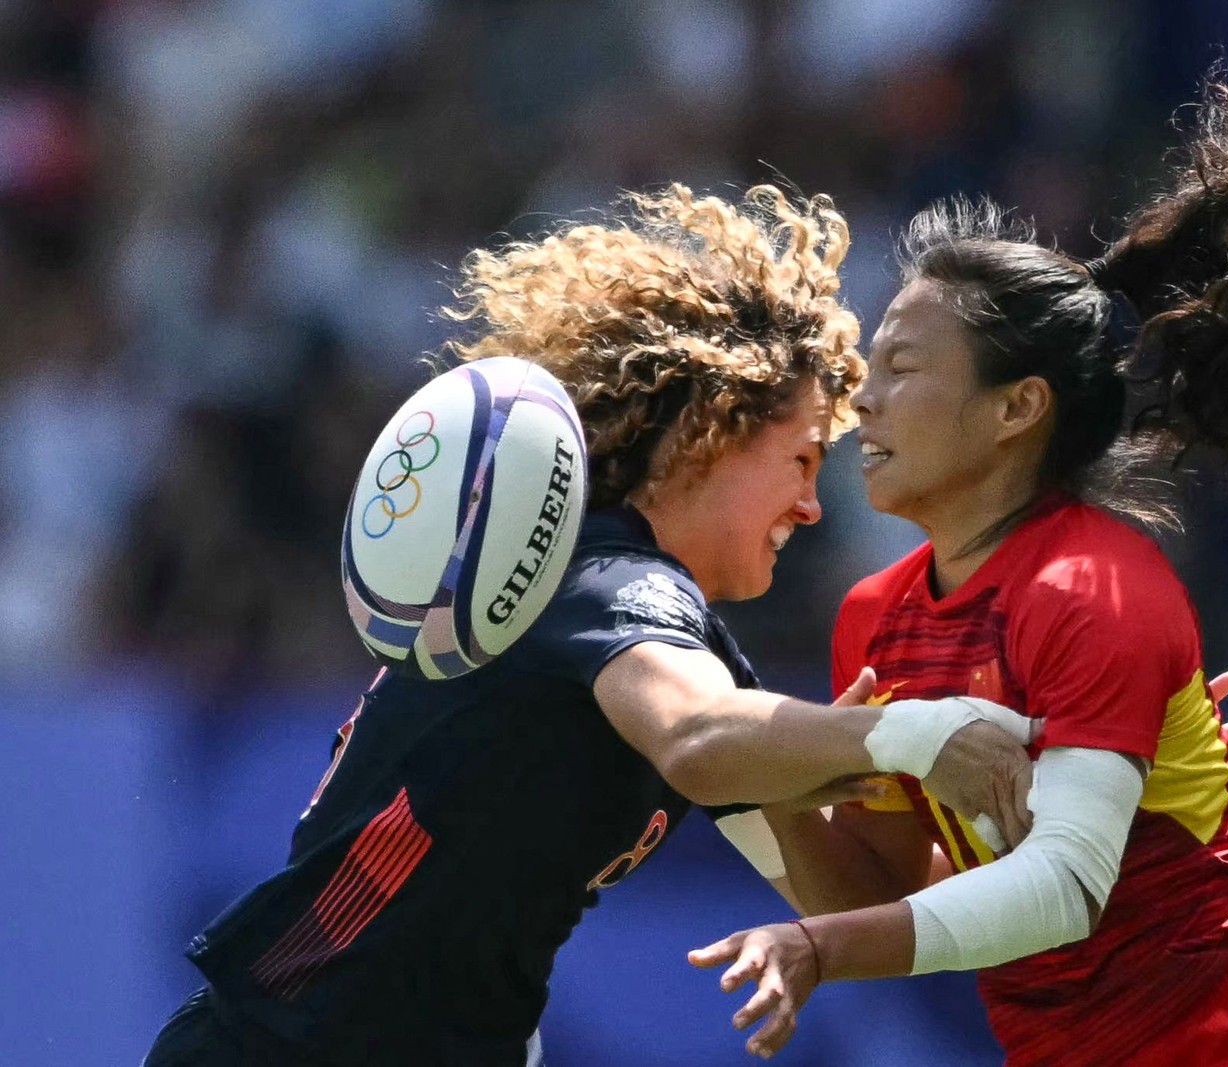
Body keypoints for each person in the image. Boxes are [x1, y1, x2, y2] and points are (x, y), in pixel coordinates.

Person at [140, 184, 1049, 1067]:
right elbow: (696, 738)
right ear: (711, 430)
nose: (814, 507)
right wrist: (909, 734)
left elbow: (853, 896)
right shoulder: (602, 579)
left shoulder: (669, 639)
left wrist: (1081, 823)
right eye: (803, 458)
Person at [691, 61, 1228, 1065]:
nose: (861, 401)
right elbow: (884, 898)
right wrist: (741, 768)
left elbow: (1060, 887)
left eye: (904, 367)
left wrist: (814, 944)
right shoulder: (872, 616)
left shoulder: (1094, 587)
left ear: (1018, 406)